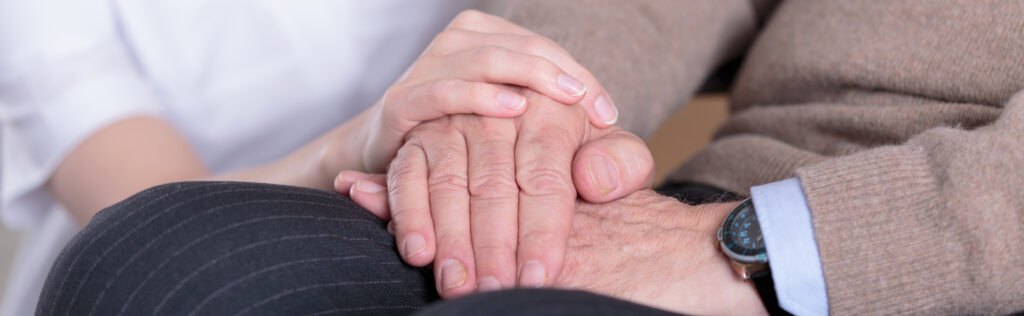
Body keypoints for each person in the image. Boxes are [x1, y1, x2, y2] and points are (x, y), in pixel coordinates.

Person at [31, 0, 1024, 315]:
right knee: (156, 257)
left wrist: (766, 252)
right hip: (701, 190)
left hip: (931, 251)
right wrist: (518, 111)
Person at [0, 1, 633, 315]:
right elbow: (150, 208)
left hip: (442, 207)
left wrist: (515, 98)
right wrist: (362, 142)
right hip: (204, 257)